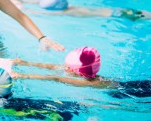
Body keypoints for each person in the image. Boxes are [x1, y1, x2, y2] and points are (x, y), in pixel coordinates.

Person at [11, 47, 151, 99]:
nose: (64, 68)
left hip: (127, 91)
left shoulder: (83, 81)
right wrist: (25, 63)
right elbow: (53, 67)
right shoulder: (80, 72)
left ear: (76, 72)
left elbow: (55, 78)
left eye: (68, 67)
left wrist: (25, 75)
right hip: (122, 85)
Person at [12, 0, 151, 21]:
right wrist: (22, 0)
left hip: (118, 15)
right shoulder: (69, 7)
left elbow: (47, 13)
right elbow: (41, 2)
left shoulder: (66, 13)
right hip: (119, 11)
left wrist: (24, 9)